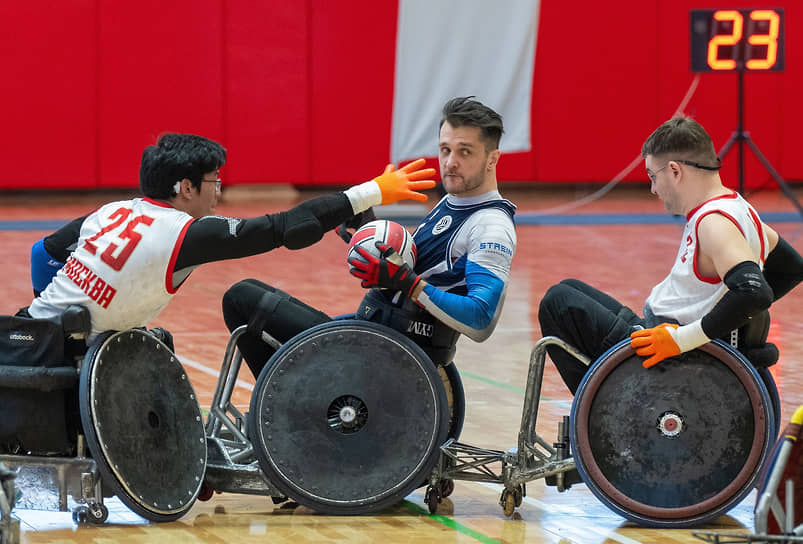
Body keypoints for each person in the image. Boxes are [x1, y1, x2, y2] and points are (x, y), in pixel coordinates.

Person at [20, 132, 437, 344]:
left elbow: (44, 253)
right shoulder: (186, 234)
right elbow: (286, 229)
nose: (218, 190)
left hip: (29, 334)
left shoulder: (111, 210)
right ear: (185, 187)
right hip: (70, 354)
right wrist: (372, 191)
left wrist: (62, 313)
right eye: (213, 181)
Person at [222, 96, 517, 379]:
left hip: (390, 358)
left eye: (465, 151)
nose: (450, 162)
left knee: (241, 299)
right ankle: (289, 404)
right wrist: (369, 229)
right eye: (445, 149)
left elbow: (480, 321)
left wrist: (408, 284)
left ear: (492, 159)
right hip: (373, 336)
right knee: (248, 290)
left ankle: (291, 409)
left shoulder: (491, 226)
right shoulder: (453, 202)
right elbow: (415, 269)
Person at [538, 117, 803, 395]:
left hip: (673, 362)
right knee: (569, 288)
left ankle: (605, 416)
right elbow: (792, 269)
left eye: (653, 176)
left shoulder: (714, 223)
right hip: (669, 341)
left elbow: (754, 292)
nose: (653, 189)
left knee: (557, 303)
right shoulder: (741, 210)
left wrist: (684, 339)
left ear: (675, 171)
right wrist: (732, 326)